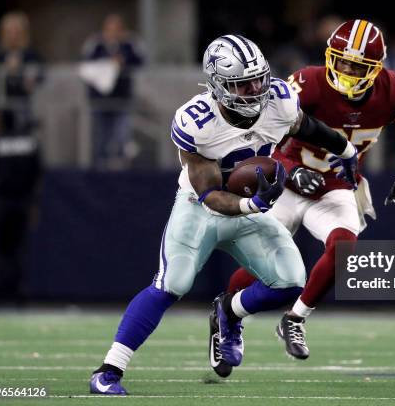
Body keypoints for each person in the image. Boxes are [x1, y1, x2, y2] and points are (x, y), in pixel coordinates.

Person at [89, 34, 359, 395]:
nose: (255, 89)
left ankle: (228, 313)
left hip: (251, 206)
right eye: (243, 84)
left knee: (291, 282)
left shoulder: (278, 99)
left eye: (258, 79)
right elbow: (210, 194)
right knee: (173, 284)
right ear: (218, 85)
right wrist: (253, 205)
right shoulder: (196, 121)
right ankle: (108, 371)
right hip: (200, 209)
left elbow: (303, 126)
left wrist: (345, 147)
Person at [225, 19, 395, 364]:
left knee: (345, 248)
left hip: (336, 185)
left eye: (357, 65)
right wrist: (289, 172)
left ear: (376, 68)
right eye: (341, 60)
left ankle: (294, 319)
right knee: (265, 263)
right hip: (287, 181)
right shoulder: (308, 84)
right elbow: (262, 134)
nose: (345, 69)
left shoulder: (393, 91)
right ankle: (227, 316)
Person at [0, 11, 44, 306]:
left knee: (17, 243)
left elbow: (33, 81)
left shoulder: (29, 57)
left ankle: (17, 293)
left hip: (18, 189)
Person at [81, 14, 145, 170]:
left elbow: (141, 60)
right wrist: (108, 63)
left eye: (117, 29)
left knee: (122, 137)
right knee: (100, 137)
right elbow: (85, 64)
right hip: (99, 101)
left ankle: (122, 168)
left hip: (122, 101)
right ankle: (99, 167)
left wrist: (123, 61)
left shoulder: (129, 44)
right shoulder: (96, 44)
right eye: (110, 29)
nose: (113, 33)